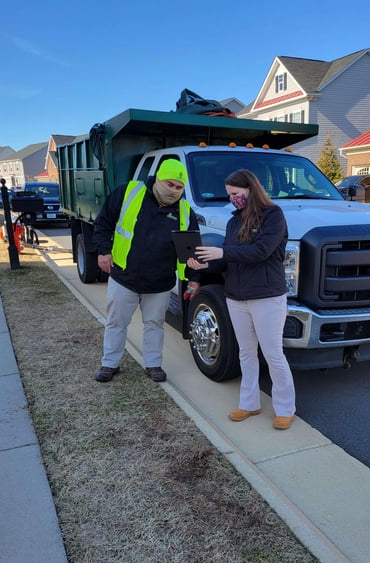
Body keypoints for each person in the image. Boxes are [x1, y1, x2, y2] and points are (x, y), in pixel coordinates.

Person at [188, 169, 296, 430]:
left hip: (266, 296)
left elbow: (260, 252)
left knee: (272, 354)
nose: (232, 199)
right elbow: (229, 260)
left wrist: (221, 251)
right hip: (236, 296)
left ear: (251, 188)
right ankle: (249, 403)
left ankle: (285, 408)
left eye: (236, 193)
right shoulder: (234, 221)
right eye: (229, 195)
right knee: (246, 353)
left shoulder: (273, 216)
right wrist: (205, 266)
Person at [93, 158, 201, 383]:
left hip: (159, 282)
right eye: (169, 184)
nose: (173, 191)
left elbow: (191, 251)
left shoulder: (185, 211)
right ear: (158, 179)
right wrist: (103, 251)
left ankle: (153, 365)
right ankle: (109, 363)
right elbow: (103, 222)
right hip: (124, 276)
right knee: (116, 322)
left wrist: (194, 279)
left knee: (154, 324)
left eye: (179, 187)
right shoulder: (129, 192)